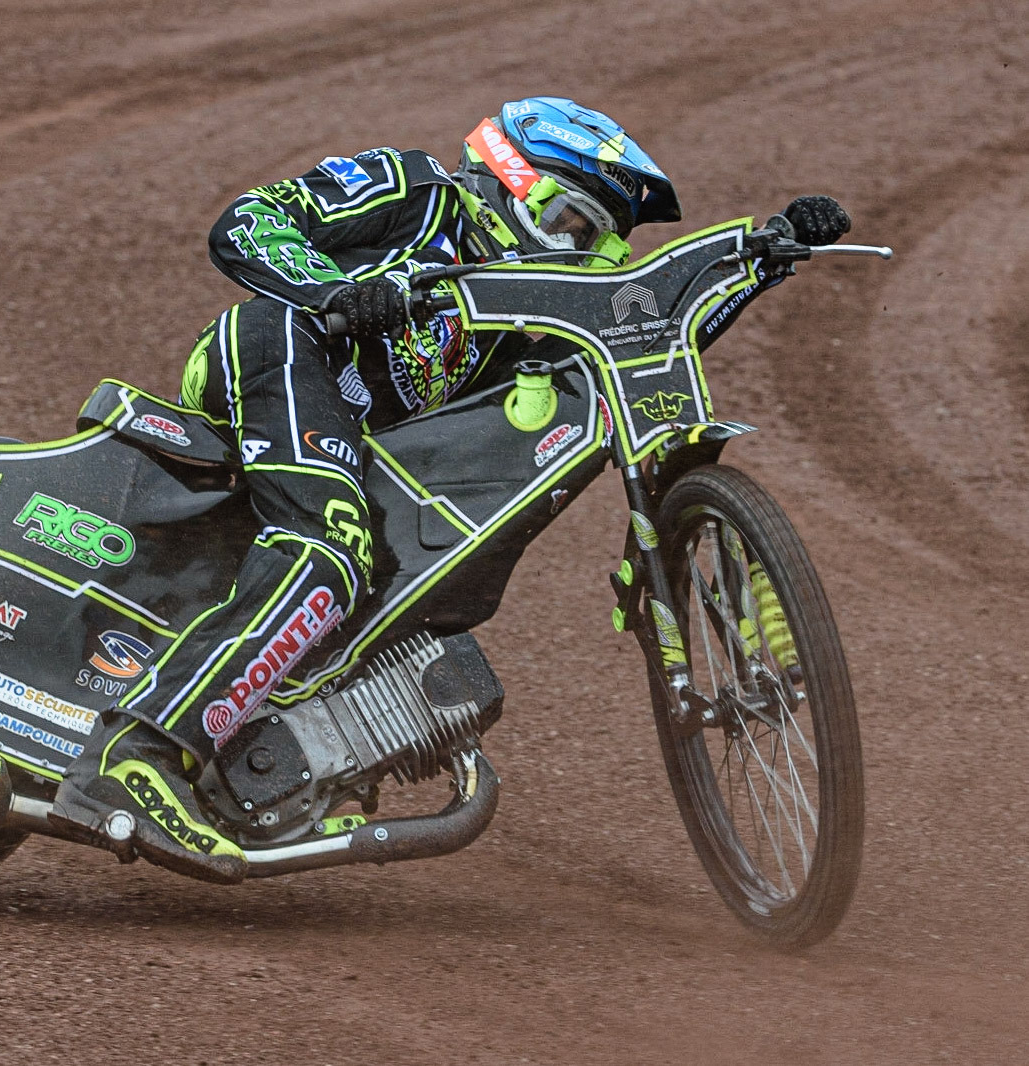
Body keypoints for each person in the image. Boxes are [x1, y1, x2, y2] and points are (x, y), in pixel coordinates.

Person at [50, 96, 850, 882]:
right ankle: (136, 756)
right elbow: (250, 220)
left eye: (595, 241)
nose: (579, 252)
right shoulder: (413, 189)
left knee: (383, 578)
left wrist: (761, 261)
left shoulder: (520, 311)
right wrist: (335, 292)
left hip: (353, 441)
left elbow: (629, 339)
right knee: (331, 546)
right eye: (571, 224)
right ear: (510, 182)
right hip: (279, 351)